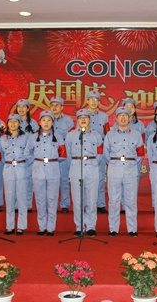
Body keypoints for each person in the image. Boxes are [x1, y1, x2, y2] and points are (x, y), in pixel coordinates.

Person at [103, 106, 144, 237]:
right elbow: (105, 153)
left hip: (131, 169)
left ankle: (132, 229)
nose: (123, 118)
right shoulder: (110, 134)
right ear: (116, 118)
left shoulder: (136, 134)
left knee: (131, 200)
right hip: (115, 168)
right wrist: (114, 163)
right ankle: (113, 229)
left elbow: (140, 153)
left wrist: (132, 164)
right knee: (113, 200)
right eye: (120, 115)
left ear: (130, 118)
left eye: (125, 115)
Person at [25, 110, 67, 236]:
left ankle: (51, 228)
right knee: (40, 199)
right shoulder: (33, 137)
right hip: (38, 170)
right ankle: (42, 227)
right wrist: (36, 161)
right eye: (44, 120)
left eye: (49, 120)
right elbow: (27, 153)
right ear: (39, 122)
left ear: (53, 123)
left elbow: (63, 155)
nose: (46, 123)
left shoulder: (58, 137)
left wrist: (52, 161)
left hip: (53, 169)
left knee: (52, 199)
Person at [64, 108, 104, 237]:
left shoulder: (96, 135)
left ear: (90, 119)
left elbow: (100, 153)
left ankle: (91, 226)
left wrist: (92, 162)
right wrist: (76, 163)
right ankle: (79, 226)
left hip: (92, 166)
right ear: (77, 120)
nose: (83, 119)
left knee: (92, 198)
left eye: (85, 117)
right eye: (80, 117)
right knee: (77, 199)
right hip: (76, 166)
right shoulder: (70, 135)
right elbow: (68, 154)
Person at [0, 114, 30, 235]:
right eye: (10, 122)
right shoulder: (3, 138)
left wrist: (24, 164)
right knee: (9, 197)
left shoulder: (26, 137)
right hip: (8, 168)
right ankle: (9, 226)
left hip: (21, 167)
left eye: (15, 121)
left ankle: (21, 226)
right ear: (7, 124)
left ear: (19, 123)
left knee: (22, 197)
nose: (12, 124)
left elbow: (30, 154)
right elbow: (1, 155)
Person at [85, 90, 110, 214]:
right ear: (87, 101)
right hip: (87, 151)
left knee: (100, 178)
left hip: (100, 151)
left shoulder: (104, 116)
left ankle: (100, 204)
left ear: (99, 102)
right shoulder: (83, 115)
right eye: (91, 99)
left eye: (96, 100)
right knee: (86, 179)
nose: (93, 102)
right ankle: (87, 204)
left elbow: (107, 134)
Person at [49, 96, 75, 214]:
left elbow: (71, 138)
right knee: (51, 181)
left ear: (62, 107)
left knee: (64, 179)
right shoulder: (46, 119)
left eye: (57, 105)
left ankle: (65, 204)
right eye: (52, 105)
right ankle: (52, 204)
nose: (54, 107)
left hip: (64, 152)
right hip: (50, 153)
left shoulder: (68, 120)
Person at [14, 99, 39, 212]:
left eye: (24, 107)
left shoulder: (33, 124)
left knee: (28, 182)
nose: (21, 109)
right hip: (16, 157)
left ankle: (28, 205)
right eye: (19, 107)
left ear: (28, 109)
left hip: (29, 158)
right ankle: (16, 205)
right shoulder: (13, 122)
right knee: (16, 182)